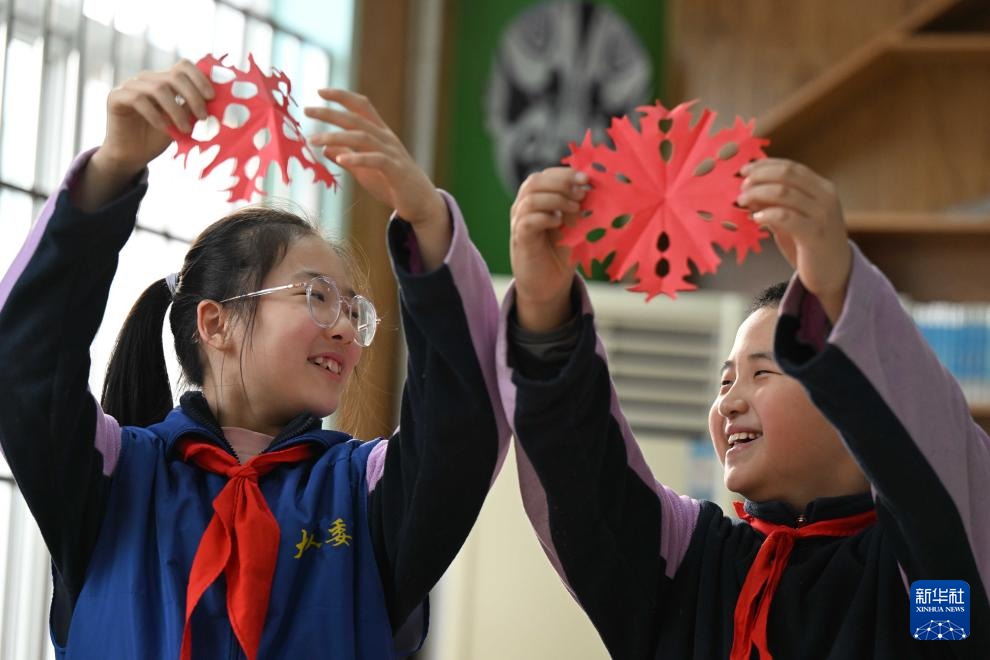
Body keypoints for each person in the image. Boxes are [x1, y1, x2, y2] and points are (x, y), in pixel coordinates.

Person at [0, 59, 506, 659]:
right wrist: (109, 173)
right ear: (217, 323)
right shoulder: (114, 479)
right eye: (317, 296)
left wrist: (430, 225)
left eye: (354, 310)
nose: (346, 328)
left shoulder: (364, 494)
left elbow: (465, 425)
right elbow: (25, 366)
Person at [498, 161, 989, 658]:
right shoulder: (689, 561)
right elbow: (584, 485)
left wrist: (843, 290)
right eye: (726, 380)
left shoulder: (922, 587)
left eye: (763, 373)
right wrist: (546, 315)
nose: (728, 403)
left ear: (847, 398)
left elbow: (941, 485)